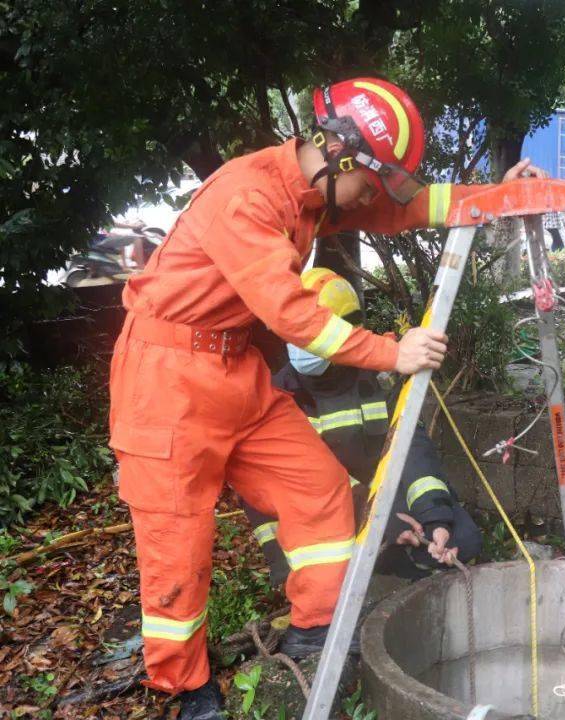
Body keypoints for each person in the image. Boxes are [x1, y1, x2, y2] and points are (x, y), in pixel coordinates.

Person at [108, 76, 537, 719]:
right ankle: (184, 686)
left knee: (319, 488)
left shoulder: (310, 194)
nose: (369, 196)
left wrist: (497, 197)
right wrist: (392, 351)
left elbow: (407, 207)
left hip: (234, 368)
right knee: (178, 540)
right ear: (340, 155)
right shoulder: (244, 196)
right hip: (164, 380)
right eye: (369, 179)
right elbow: (292, 315)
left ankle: (314, 629)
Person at [242, 267, 481, 593]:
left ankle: (409, 561)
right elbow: (293, 488)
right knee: (343, 568)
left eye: (312, 331)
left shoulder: (374, 381)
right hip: (321, 516)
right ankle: (388, 570)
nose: (300, 345)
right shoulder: (276, 395)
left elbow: (411, 449)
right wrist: (283, 566)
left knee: (462, 538)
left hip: (379, 500)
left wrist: (434, 519)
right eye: (294, 333)